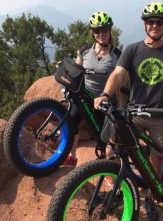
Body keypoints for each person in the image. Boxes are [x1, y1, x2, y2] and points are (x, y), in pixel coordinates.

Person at [94, 2, 163, 221]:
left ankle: (151, 197)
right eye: (151, 22)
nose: (155, 25)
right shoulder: (133, 49)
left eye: (159, 22)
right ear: (145, 25)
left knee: (156, 158)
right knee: (113, 148)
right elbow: (118, 75)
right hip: (134, 114)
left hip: (161, 116)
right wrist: (105, 95)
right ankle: (118, 189)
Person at [63, 11, 122, 166]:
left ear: (110, 31)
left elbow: (120, 82)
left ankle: (110, 168)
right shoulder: (84, 51)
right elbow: (76, 72)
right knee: (71, 120)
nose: (101, 34)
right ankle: (72, 156)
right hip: (86, 97)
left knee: (108, 138)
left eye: (104, 30)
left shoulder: (117, 55)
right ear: (93, 33)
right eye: (97, 31)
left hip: (106, 101)